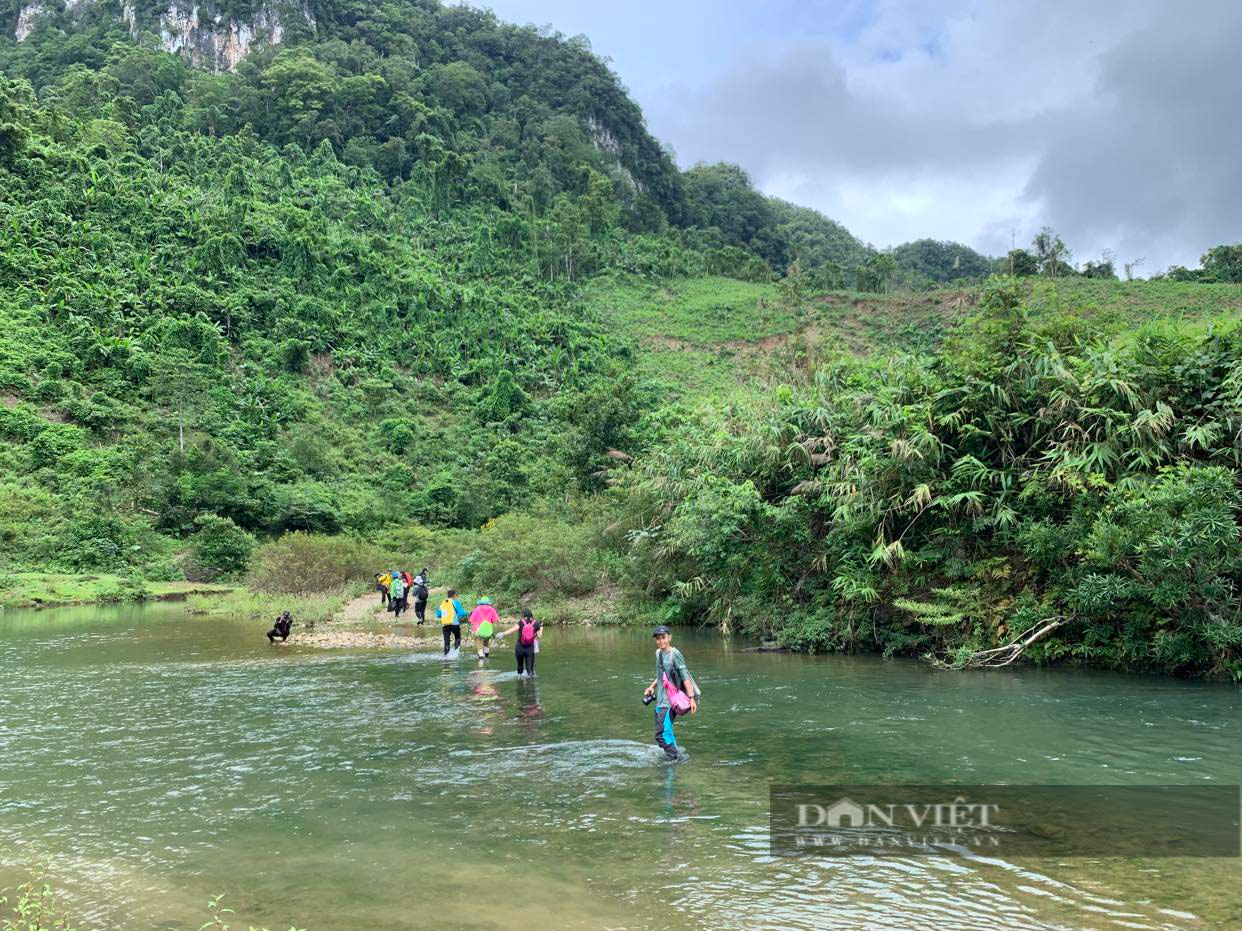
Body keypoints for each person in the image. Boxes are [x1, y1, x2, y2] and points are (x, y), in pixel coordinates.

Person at [642, 626, 700, 763]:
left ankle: (675, 759)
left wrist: (691, 698)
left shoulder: (675, 654)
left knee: (661, 735)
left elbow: (685, 677)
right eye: (658, 638)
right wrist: (651, 687)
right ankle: (674, 755)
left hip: (670, 702)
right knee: (666, 732)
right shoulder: (658, 654)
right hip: (660, 701)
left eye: (663, 638)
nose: (661, 641)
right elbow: (662, 675)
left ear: (669, 637)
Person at [499, 609, 541, 677]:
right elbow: (539, 636)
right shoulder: (536, 623)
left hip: (519, 648)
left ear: (523, 615)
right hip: (530, 649)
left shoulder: (521, 622)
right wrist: (540, 628)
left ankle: (520, 680)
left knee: (520, 666)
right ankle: (530, 684)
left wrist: (503, 633)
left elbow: (513, 629)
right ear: (531, 615)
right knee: (530, 670)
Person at [437, 589, 467, 654]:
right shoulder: (456, 602)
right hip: (455, 624)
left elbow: (438, 615)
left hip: (446, 624)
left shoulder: (443, 603)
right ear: (454, 595)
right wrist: (466, 613)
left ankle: (446, 655)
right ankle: (456, 652)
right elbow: (461, 613)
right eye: (455, 594)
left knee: (446, 640)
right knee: (457, 637)